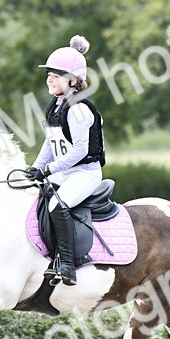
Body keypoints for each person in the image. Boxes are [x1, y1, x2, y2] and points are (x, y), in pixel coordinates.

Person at [24, 35, 106, 285]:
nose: (50, 78)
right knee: (32, 198)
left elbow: (79, 151)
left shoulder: (78, 108)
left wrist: (48, 170)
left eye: (56, 75)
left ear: (73, 80)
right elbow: (51, 142)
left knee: (56, 206)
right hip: (64, 171)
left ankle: (69, 263)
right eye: (49, 74)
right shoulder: (56, 105)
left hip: (84, 173)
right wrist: (36, 168)